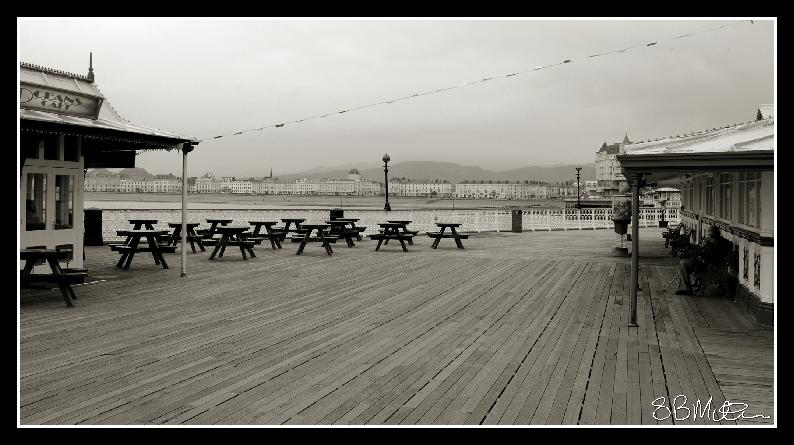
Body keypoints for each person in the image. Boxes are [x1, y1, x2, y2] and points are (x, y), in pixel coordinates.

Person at [676, 225, 733, 295]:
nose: (708, 236)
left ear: (713, 235)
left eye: (709, 235)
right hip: (702, 263)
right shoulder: (712, 242)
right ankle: (685, 287)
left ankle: (687, 288)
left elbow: (711, 257)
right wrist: (696, 252)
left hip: (707, 266)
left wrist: (701, 255)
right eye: (708, 234)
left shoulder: (716, 244)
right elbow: (701, 251)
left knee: (683, 263)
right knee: (683, 262)